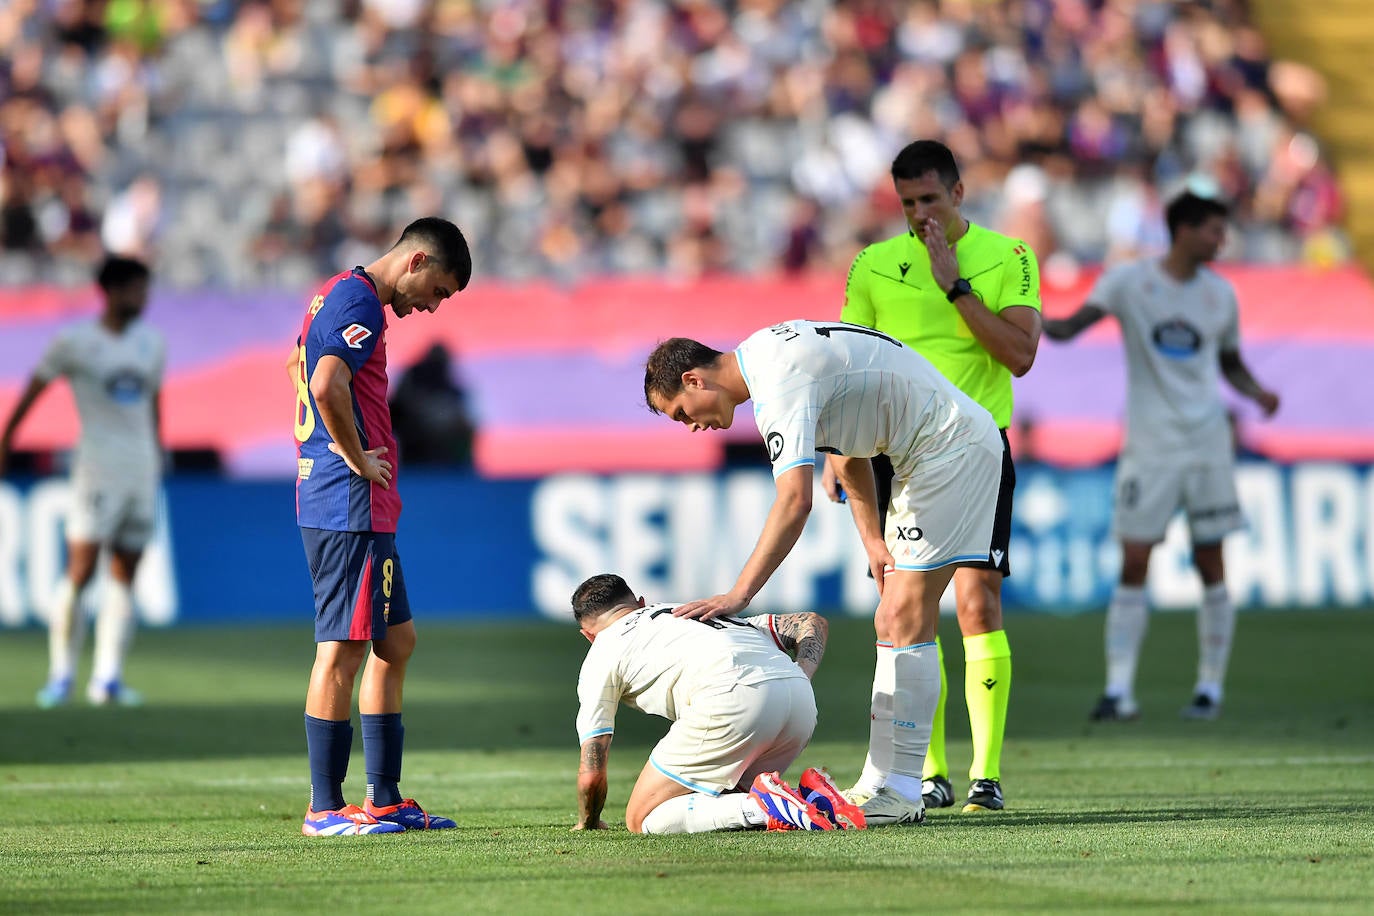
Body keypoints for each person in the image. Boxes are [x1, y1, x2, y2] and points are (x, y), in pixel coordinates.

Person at [643, 318, 1007, 827]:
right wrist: (872, 539)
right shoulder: (769, 353)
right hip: (927, 455)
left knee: (903, 615)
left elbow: (795, 502)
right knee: (892, 619)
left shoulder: (778, 382)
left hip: (949, 450)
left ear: (694, 380)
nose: (692, 425)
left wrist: (738, 594)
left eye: (682, 414)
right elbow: (846, 445)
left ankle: (903, 789)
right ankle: (884, 780)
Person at [822, 139, 1042, 814]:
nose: (920, 214)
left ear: (958, 194)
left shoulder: (1009, 257)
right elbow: (848, 364)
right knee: (901, 607)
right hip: (894, 453)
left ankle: (986, 775)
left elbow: (1020, 354)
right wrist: (838, 447)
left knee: (978, 604)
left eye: (931, 199)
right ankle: (927, 772)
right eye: (909, 202)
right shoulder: (874, 265)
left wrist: (954, 283)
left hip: (975, 451)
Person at [1043, 191, 1280, 722]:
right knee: (1134, 560)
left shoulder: (1221, 295)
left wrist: (1257, 391)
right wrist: (1022, 320)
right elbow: (1073, 326)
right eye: (1214, 230)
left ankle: (1210, 689)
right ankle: (1119, 690)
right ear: (1184, 229)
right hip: (1149, 446)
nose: (1222, 239)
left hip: (1207, 444)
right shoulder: (1130, 282)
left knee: (1210, 560)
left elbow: (1231, 362)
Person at [290, 217, 472, 837]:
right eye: (439, 291)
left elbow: (296, 362)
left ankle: (385, 797)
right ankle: (323, 808)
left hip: (364, 506)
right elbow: (323, 381)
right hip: (348, 505)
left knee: (396, 643)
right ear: (417, 262)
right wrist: (352, 454)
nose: (431, 307)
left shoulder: (337, 294)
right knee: (340, 650)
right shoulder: (356, 299)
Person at [570, 573, 863, 833]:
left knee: (642, 817)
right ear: (642, 602)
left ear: (588, 636)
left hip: (731, 702)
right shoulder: (691, 611)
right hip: (799, 704)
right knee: (721, 798)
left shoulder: (603, 650)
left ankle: (762, 807)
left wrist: (589, 821)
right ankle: (812, 799)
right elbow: (812, 622)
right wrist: (802, 676)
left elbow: (592, 772)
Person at [1, 255, 165, 708]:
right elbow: (34, 388)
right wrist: (6, 440)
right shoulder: (74, 342)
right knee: (80, 570)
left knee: (125, 573)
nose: (143, 299)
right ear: (110, 292)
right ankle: (61, 675)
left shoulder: (152, 343)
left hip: (140, 470)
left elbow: (153, 403)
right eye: (136, 289)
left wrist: (157, 452)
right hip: (96, 469)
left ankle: (107, 678)